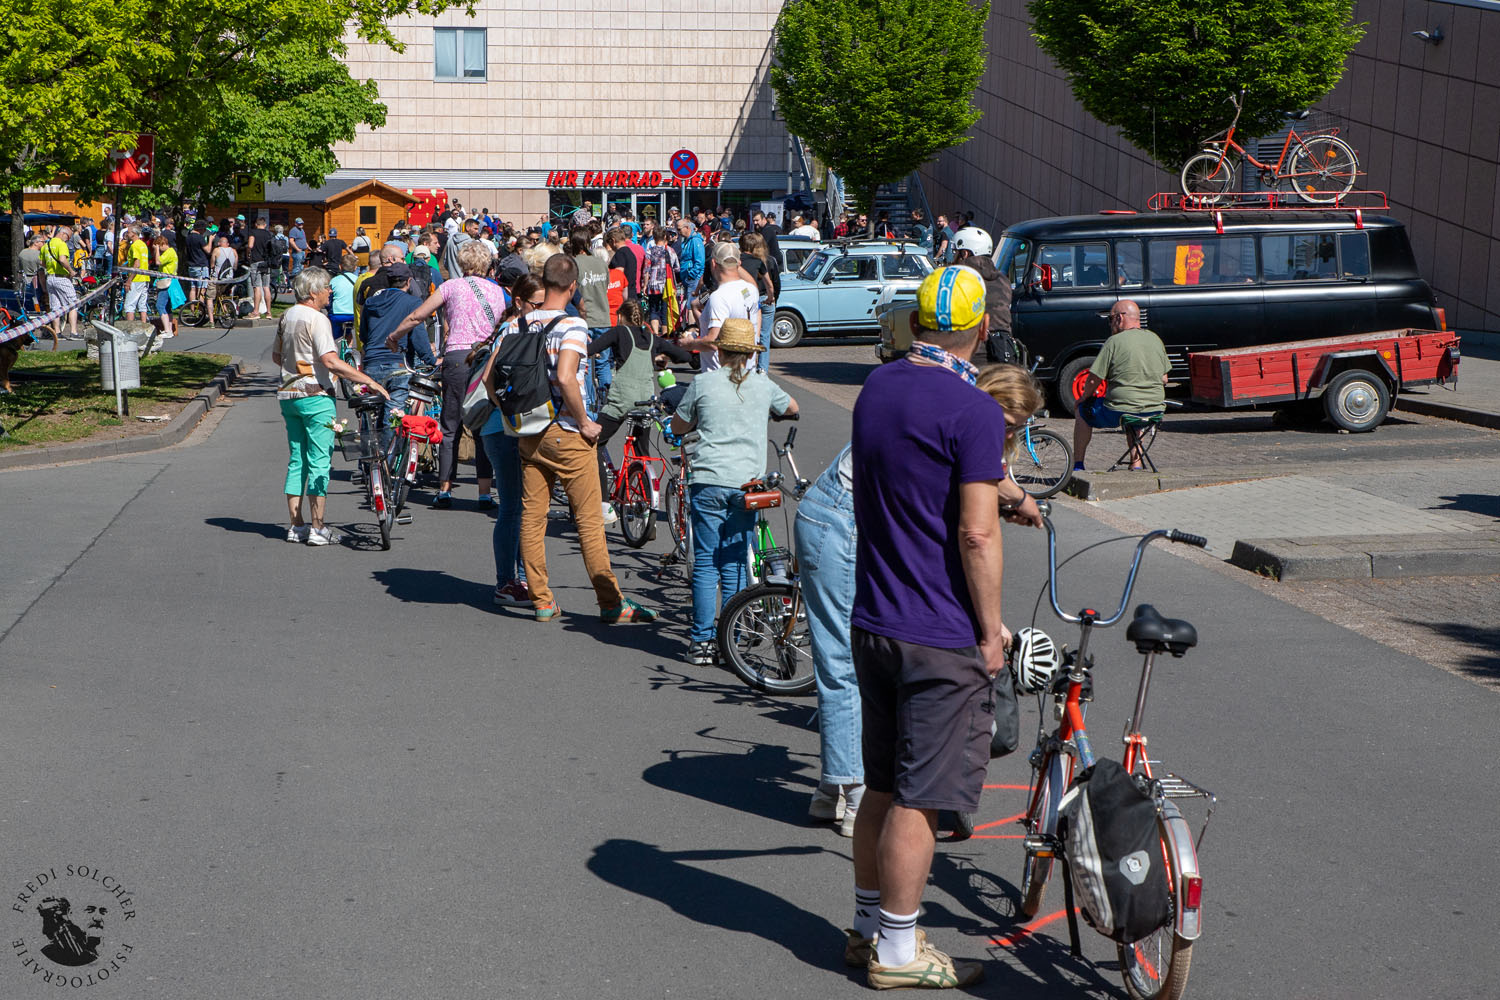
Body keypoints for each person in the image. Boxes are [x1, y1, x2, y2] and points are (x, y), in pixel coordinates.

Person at [845, 265, 1041, 988]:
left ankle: (868, 927)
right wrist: (991, 632)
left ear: (915, 323)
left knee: (883, 786)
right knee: (922, 798)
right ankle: (899, 951)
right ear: (982, 329)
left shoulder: (880, 387)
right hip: (939, 627)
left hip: (876, 617)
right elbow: (976, 536)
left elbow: (921, 475)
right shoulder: (976, 410)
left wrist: (1004, 486)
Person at [515, 254, 658, 624]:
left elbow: (490, 378)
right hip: (567, 432)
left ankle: (542, 600)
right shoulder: (573, 325)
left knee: (532, 519)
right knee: (590, 522)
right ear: (573, 285)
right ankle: (610, 602)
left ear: (544, 283)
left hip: (530, 432)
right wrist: (585, 422)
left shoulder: (519, 322)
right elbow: (565, 376)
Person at [670, 317, 798, 664]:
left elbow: (679, 424)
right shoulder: (762, 384)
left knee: (706, 565)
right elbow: (792, 408)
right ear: (750, 354)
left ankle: (701, 643)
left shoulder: (703, 383)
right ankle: (733, 640)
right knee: (735, 563)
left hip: (709, 480)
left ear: (720, 349)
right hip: (747, 484)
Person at [273, 267, 389, 546]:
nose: (331, 291)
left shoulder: (286, 316)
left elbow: (278, 356)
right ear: (314, 292)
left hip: (289, 394)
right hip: (316, 396)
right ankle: (318, 527)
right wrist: (368, 381)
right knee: (319, 461)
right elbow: (330, 361)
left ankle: (295, 524)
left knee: (297, 459)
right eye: (326, 287)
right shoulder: (318, 319)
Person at [386, 239, 503, 508]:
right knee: (484, 424)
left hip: (458, 358)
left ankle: (445, 489)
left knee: (451, 425)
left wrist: (395, 335)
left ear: (462, 263)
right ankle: (484, 492)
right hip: (486, 358)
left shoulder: (451, 286)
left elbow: (419, 315)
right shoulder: (496, 291)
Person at [588, 299, 692, 519]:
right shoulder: (652, 338)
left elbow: (591, 349)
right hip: (645, 402)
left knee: (594, 443)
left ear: (621, 316)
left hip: (621, 400)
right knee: (642, 453)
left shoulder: (619, 332)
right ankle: (645, 506)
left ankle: (604, 503)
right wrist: (667, 358)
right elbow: (683, 356)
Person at [477, 274, 544, 608]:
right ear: (520, 302)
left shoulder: (522, 328)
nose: (541, 310)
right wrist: (507, 411)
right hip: (501, 429)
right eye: (536, 304)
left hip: (506, 428)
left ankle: (517, 578)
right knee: (512, 508)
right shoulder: (513, 330)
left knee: (519, 507)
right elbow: (490, 378)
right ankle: (507, 582)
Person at [1072, 298, 1169, 471]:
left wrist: (1083, 398)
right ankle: (1136, 463)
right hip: (1155, 409)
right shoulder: (1155, 339)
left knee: (1082, 412)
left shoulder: (1114, 342)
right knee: (1136, 417)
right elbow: (1164, 379)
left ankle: (1078, 465)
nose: (1110, 324)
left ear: (1119, 318)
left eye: (1110, 319)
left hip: (1120, 410)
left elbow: (1094, 379)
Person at [681, 242, 757, 371]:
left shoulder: (719, 296)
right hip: (747, 370)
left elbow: (713, 342)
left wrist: (690, 344)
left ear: (713, 264)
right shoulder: (750, 290)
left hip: (720, 374)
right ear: (739, 263)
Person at [950, 226, 1016, 365]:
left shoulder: (959, 278)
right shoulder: (1003, 280)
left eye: (956, 252)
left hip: (971, 353)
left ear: (965, 253)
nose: (953, 257)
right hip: (1002, 350)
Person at [738, 232, 776, 374]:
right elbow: (770, 284)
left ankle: (741, 366)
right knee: (761, 336)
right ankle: (761, 369)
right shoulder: (759, 262)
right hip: (756, 300)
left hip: (741, 299)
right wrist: (770, 298)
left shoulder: (737, 261)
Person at [41, 226, 79, 342]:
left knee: (55, 307)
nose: (67, 240)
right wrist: (71, 271)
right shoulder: (61, 244)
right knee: (73, 304)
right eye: (68, 238)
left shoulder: (46, 245)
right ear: (63, 234)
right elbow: (62, 259)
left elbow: (42, 263)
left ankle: (57, 332)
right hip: (61, 278)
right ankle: (73, 332)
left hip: (50, 278)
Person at [640, 226, 679, 337]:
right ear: (665, 237)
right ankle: (666, 334)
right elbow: (677, 268)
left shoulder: (649, 251)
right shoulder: (671, 251)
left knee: (653, 309)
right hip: (667, 284)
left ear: (654, 237)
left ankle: (656, 334)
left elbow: (646, 270)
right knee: (665, 310)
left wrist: (645, 285)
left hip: (653, 284)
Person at [151, 234, 184, 338]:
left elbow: (158, 262)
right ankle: (168, 330)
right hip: (168, 281)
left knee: (160, 305)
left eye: (159, 247)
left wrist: (156, 250)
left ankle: (167, 330)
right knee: (167, 307)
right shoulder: (170, 252)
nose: (159, 250)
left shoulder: (169, 252)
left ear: (163, 244)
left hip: (167, 282)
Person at [675, 219, 705, 326]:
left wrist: (691, 275)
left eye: (679, 229)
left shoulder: (695, 241)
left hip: (693, 279)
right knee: (689, 305)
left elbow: (700, 262)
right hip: (687, 278)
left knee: (691, 305)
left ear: (687, 228)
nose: (678, 232)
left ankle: (693, 329)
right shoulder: (687, 241)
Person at [121, 227, 152, 322]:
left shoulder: (134, 246)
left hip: (136, 279)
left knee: (129, 305)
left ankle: (130, 328)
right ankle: (144, 327)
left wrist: (129, 280)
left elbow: (137, 264)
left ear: (134, 233)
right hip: (145, 278)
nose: (127, 234)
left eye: (129, 232)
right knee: (142, 305)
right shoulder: (143, 245)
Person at [246, 216, 274, 317]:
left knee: (257, 287)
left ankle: (256, 311)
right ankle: (269, 312)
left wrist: (248, 253)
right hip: (267, 262)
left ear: (256, 224)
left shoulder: (253, 232)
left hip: (256, 261)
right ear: (265, 225)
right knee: (266, 287)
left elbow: (250, 245)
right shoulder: (269, 234)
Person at [329, 252, 359, 341]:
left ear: (340, 266)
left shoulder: (334, 281)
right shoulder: (358, 280)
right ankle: (348, 351)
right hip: (354, 314)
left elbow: (329, 298)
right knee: (348, 331)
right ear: (355, 268)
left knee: (331, 333)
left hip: (337, 314)